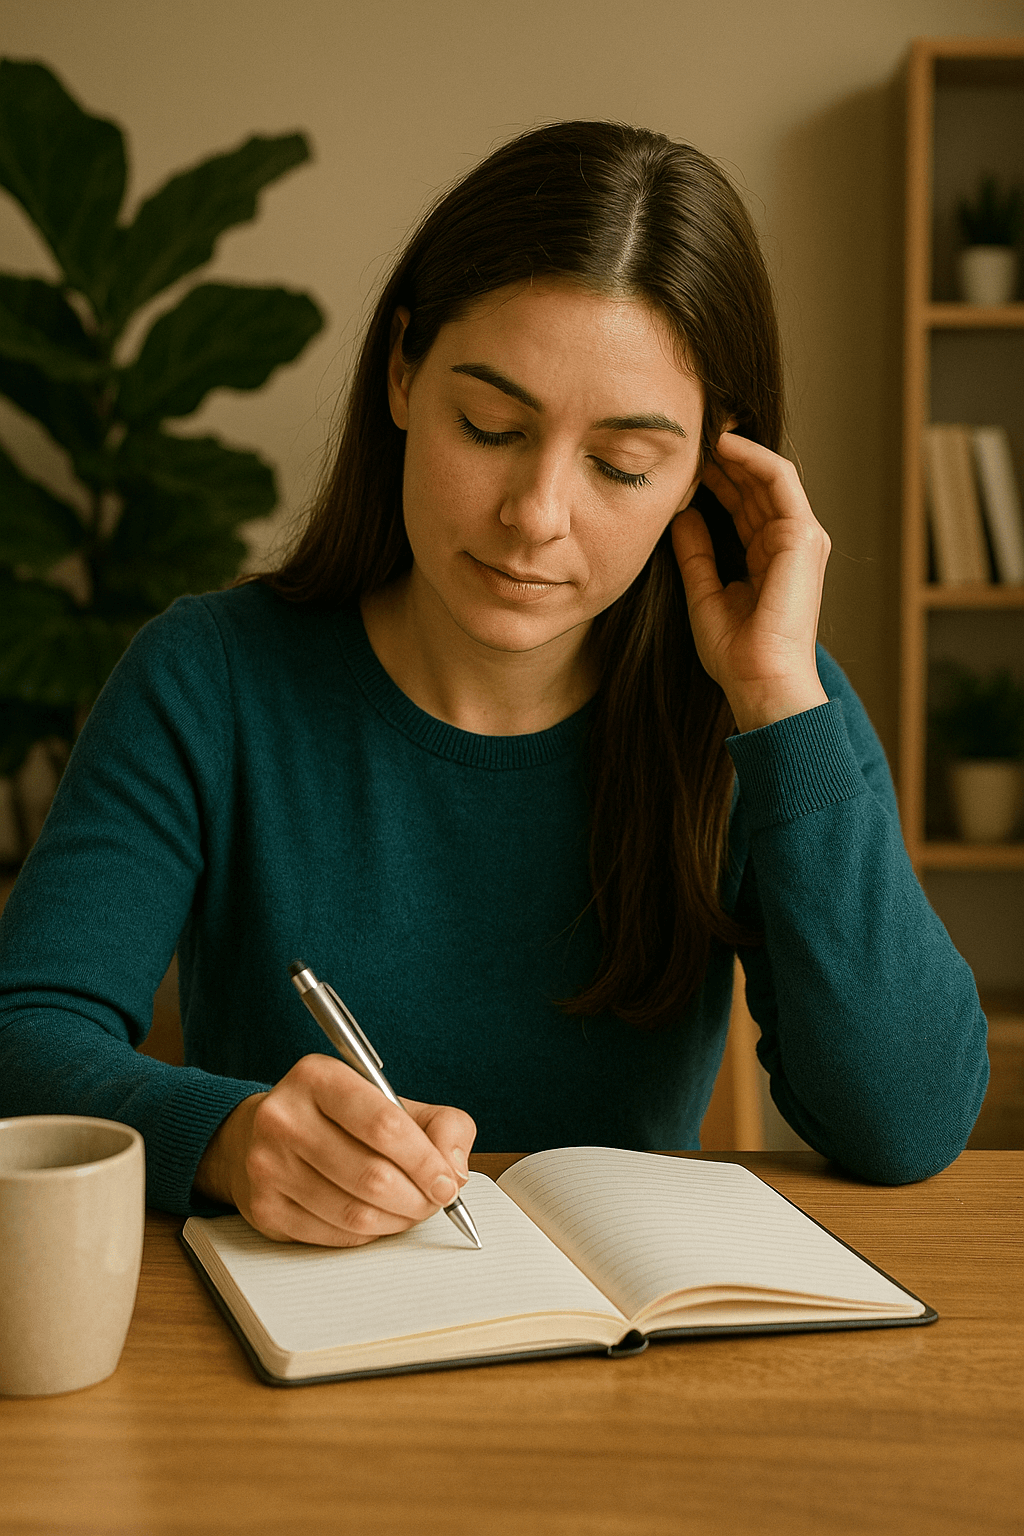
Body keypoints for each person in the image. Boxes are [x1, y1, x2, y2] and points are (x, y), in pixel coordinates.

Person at [0, 121, 988, 1248]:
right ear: (403, 370)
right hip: (287, 1354)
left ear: (706, 474)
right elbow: (26, 1031)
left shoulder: (764, 707)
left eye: (622, 465)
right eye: (491, 425)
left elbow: (906, 1123)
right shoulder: (209, 677)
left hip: (631, 1362)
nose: (535, 514)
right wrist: (223, 1137)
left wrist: (773, 700)